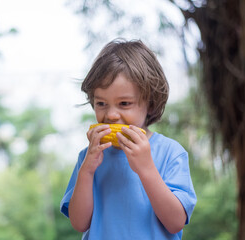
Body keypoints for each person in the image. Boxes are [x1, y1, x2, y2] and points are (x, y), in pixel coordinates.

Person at [60, 38, 197, 240]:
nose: (111, 115)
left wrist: (146, 168)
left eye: (124, 103)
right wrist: (87, 170)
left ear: (150, 104)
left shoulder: (170, 152)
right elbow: (79, 223)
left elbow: (175, 221)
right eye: (101, 103)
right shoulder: (88, 157)